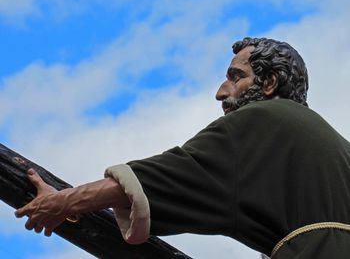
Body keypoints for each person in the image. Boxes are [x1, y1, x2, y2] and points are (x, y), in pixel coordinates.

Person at [15, 37, 350, 258]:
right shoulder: (338, 148)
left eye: (235, 77)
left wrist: (60, 202)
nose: (221, 92)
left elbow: (161, 179)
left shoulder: (262, 119)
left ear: (270, 83)